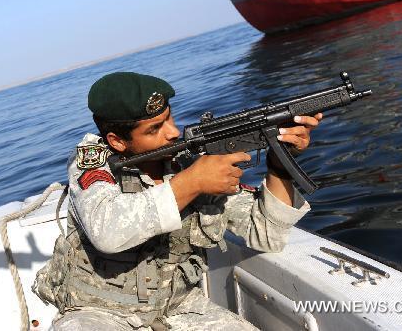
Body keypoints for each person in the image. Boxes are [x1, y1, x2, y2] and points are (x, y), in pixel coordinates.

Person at [33, 72, 321, 330]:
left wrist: (279, 163)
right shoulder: (94, 165)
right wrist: (193, 182)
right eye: (154, 129)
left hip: (180, 309)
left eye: (169, 118)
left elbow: (266, 235)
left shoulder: (187, 161)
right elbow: (108, 232)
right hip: (100, 314)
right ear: (118, 141)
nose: (172, 132)